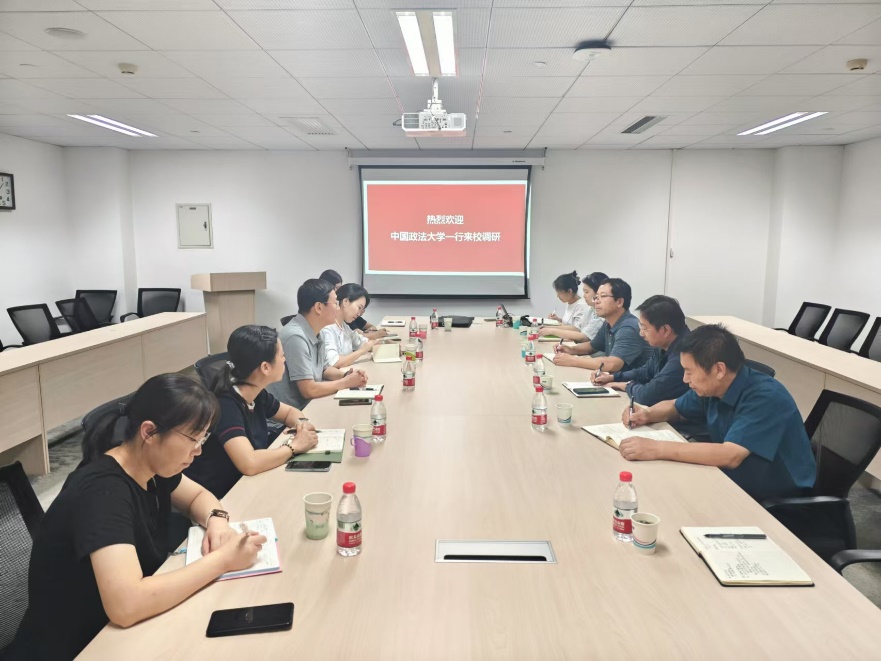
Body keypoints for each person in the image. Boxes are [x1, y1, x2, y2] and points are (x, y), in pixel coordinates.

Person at [4, 375, 267, 660]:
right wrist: (224, 560)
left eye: (203, 438)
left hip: (119, 633)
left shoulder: (149, 463)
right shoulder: (103, 492)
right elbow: (127, 605)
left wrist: (217, 521)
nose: (199, 450)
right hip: (77, 647)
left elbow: (197, 497)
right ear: (149, 432)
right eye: (194, 438)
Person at [618, 324, 816, 502]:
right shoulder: (713, 387)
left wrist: (656, 448)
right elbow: (675, 406)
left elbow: (730, 455)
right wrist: (646, 414)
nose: (685, 379)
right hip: (731, 480)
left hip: (777, 499)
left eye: (689, 371)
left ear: (719, 369)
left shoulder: (765, 397)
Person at [184, 325, 319, 499]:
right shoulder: (226, 404)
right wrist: (294, 447)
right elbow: (249, 463)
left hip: (249, 481)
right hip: (223, 493)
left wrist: (302, 425)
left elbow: (289, 413)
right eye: (281, 355)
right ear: (265, 367)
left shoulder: (254, 391)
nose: (284, 359)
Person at [268, 278, 369, 410]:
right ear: (319, 307)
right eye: (335, 303)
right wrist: (345, 382)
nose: (338, 308)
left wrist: (347, 375)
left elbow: (325, 369)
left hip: (308, 405)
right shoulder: (296, 337)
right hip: (289, 415)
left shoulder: (317, 332)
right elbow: (308, 390)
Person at [593, 295, 691, 406]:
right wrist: (613, 377)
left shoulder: (684, 354)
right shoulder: (664, 344)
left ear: (665, 330)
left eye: (645, 328)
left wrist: (625, 386)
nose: (641, 333)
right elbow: (645, 372)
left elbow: (648, 395)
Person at [552, 277, 652, 374]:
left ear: (619, 302)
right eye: (596, 297)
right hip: (613, 379)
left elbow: (613, 364)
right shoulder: (608, 322)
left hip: (632, 383)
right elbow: (592, 346)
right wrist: (571, 350)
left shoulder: (629, 327)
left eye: (603, 296)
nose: (596, 301)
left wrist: (572, 360)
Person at [538, 271, 607, 343]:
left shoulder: (600, 315)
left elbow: (584, 337)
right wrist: (548, 328)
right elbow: (577, 327)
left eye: (586, 292)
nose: (584, 296)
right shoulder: (591, 309)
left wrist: (552, 331)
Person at [320, 283, 378, 368]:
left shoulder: (345, 327)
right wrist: (361, 352)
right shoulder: (326, 328)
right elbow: (334, 362)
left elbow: (364, 343)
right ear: (345, 302)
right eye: (359, 307)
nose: (359, 314)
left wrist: (388, 344)